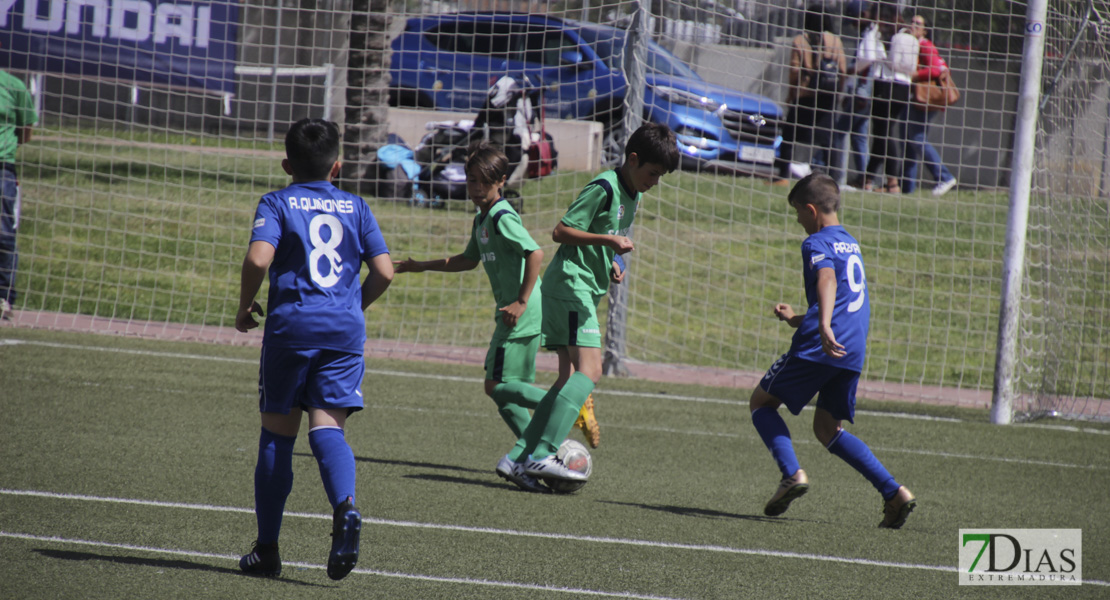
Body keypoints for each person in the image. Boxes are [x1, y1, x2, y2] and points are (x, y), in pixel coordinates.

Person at [235, 118, 394, 579]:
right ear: (337, 166)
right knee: (328, 430)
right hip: (343, 333)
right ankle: (345, 508)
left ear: (286, 164)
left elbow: (258, 258)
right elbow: (384, 271)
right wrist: (352, 307)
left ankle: (267, 550)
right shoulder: (356, 206)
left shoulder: (277, 202)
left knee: (277, 436)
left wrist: (245, 306)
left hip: (291, 330)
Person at [499, 122, 678, 492]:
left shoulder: (634, 196)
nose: (655, 181)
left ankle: (516, 457)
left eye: (660, 176)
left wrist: (615, 260)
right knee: (591, 370)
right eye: (652, 173)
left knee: (567, 380)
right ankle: (543, 452)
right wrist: (607, 240)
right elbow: (561, 231)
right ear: (632, 159)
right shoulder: (603, 187)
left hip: (582, 288)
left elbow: (613, 239)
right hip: (569, 285)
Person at [749, 173, 915, 529]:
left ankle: (792, 474)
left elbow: (826, 279)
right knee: (828, 429)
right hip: (852, 348)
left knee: (761, 404)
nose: (797, 221)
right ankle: (893, 491)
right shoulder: (851, 243)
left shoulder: (816, 243)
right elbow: (841, 298)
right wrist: (798, 318)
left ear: (811, 210)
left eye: (796, 213)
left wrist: (821, 325)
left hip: (820, 344)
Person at [773, 4, 847, 186]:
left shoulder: (800, 40)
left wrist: (792, 94)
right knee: (830, 141)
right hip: (827, 96)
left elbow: (794, 71)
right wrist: (837, 93)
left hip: (805, 94)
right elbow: (843, 71)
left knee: (789, 134)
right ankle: (833, 180)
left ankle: (783, 175)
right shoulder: (836, 42)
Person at [859, 4, 918, 193]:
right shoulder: (908, 36)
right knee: (882, 132)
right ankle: (868, 179)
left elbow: (868, 56)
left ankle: (893, 182)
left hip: (886, 85)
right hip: (904, 86)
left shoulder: (883, 35)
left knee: (883, 133)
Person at [815, 0, 873, 188]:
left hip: (861, 93)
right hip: (861, 93)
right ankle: (866, 180)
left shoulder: (871, 33)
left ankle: (836, 178)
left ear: (863, 14)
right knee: (859, 136)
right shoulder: (867, 33)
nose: (854, 25)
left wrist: (849, 71)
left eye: (855, 19)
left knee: (839, 133)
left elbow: (870, 59)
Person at [901, 14, 958, 196]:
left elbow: (936, 69)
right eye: (911, 21)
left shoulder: (925, 45)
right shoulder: (913, 45)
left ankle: (944, 176)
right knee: (909, 140)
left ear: (924, 30)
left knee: (917, 139)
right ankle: (907, 189)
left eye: (918, 23)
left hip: (924, 101)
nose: (913, 25)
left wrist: (915, 75)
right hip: (916, 100)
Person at [0, 67, 39, 321]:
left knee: (3, 232)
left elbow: (26, 131)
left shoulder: (13, 85)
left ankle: (4, 298)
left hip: (2, 166)